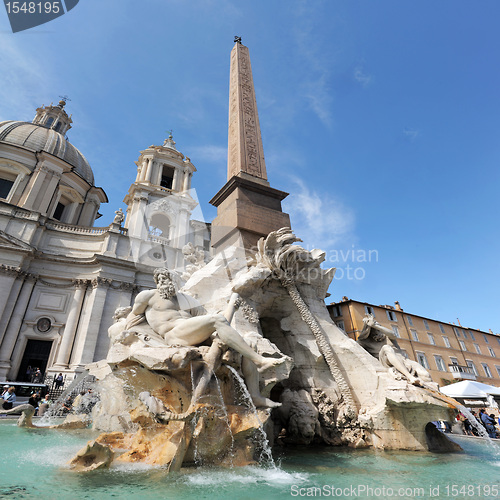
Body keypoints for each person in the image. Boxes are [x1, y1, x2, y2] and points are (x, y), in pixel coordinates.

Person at [125, 268, 287, 373]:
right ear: (157, 281)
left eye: (171, 280)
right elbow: (133, 318)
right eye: (162, 279)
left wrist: (232, 306)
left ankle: (255, 395)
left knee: (245, 344)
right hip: (174, 335)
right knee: (217, 321)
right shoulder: (148, 295)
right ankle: (259, 360)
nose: (165, 282)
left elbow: (220, 322)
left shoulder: (185, 299)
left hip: (192, 333)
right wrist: (133, 339)